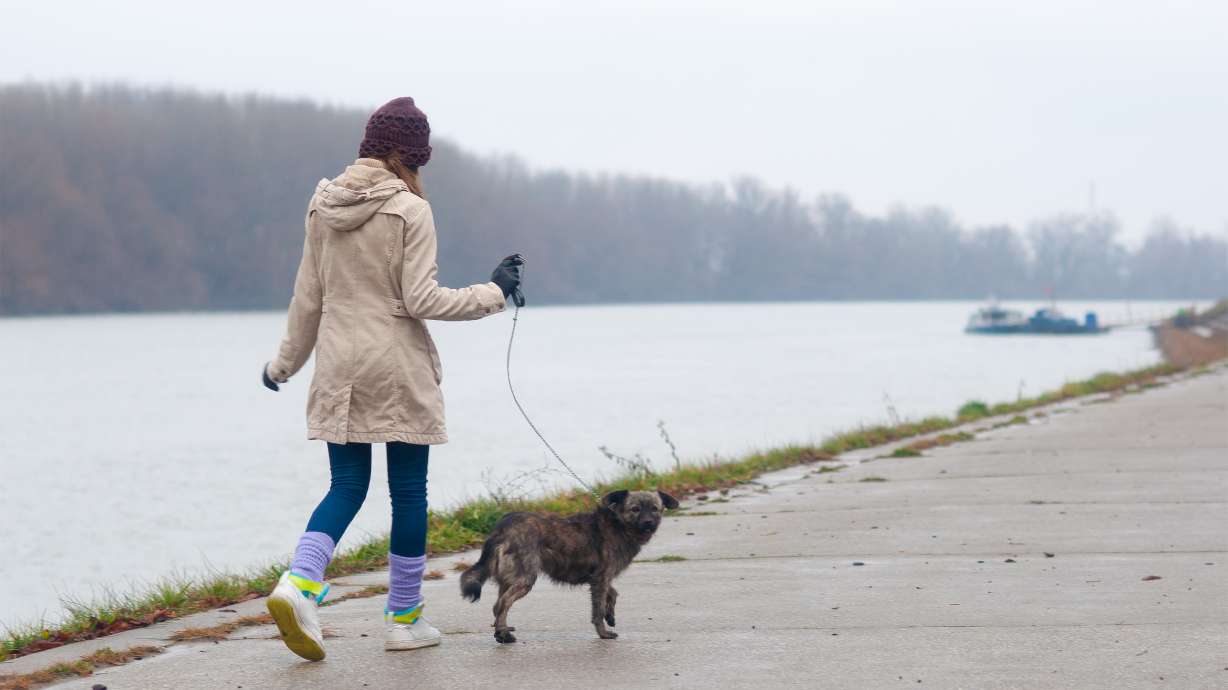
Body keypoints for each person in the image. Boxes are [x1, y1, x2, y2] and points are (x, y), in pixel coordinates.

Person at [260, 96, 523, 660]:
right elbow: (421, 299)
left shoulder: (321, 205)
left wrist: (281, 364)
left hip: (338, 363)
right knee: (408, 494)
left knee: (346, 486)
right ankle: (403, 622)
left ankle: (299, 584)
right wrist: (494, 292)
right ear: (408, 154)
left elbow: (308, 298)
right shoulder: (409, 209)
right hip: (395, 366)